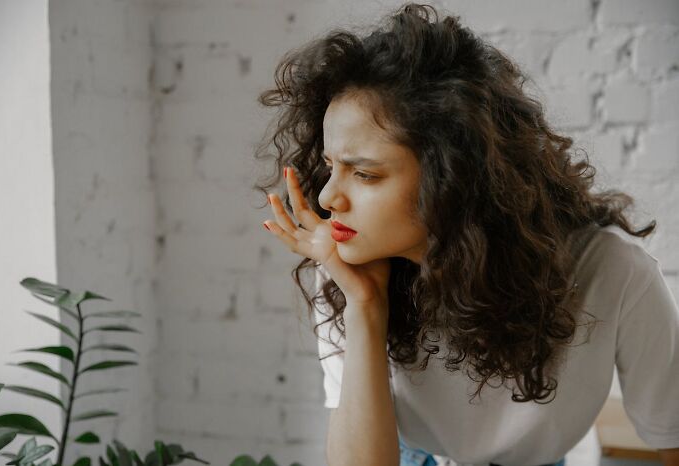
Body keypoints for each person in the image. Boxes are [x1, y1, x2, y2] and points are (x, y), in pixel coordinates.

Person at [252, 3, 679, 466]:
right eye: (332, 166)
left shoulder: (612, 272)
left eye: (366, 175)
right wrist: (365, 305)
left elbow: (671, 435)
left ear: (453, 176)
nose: (329, 198)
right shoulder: (346, 267)